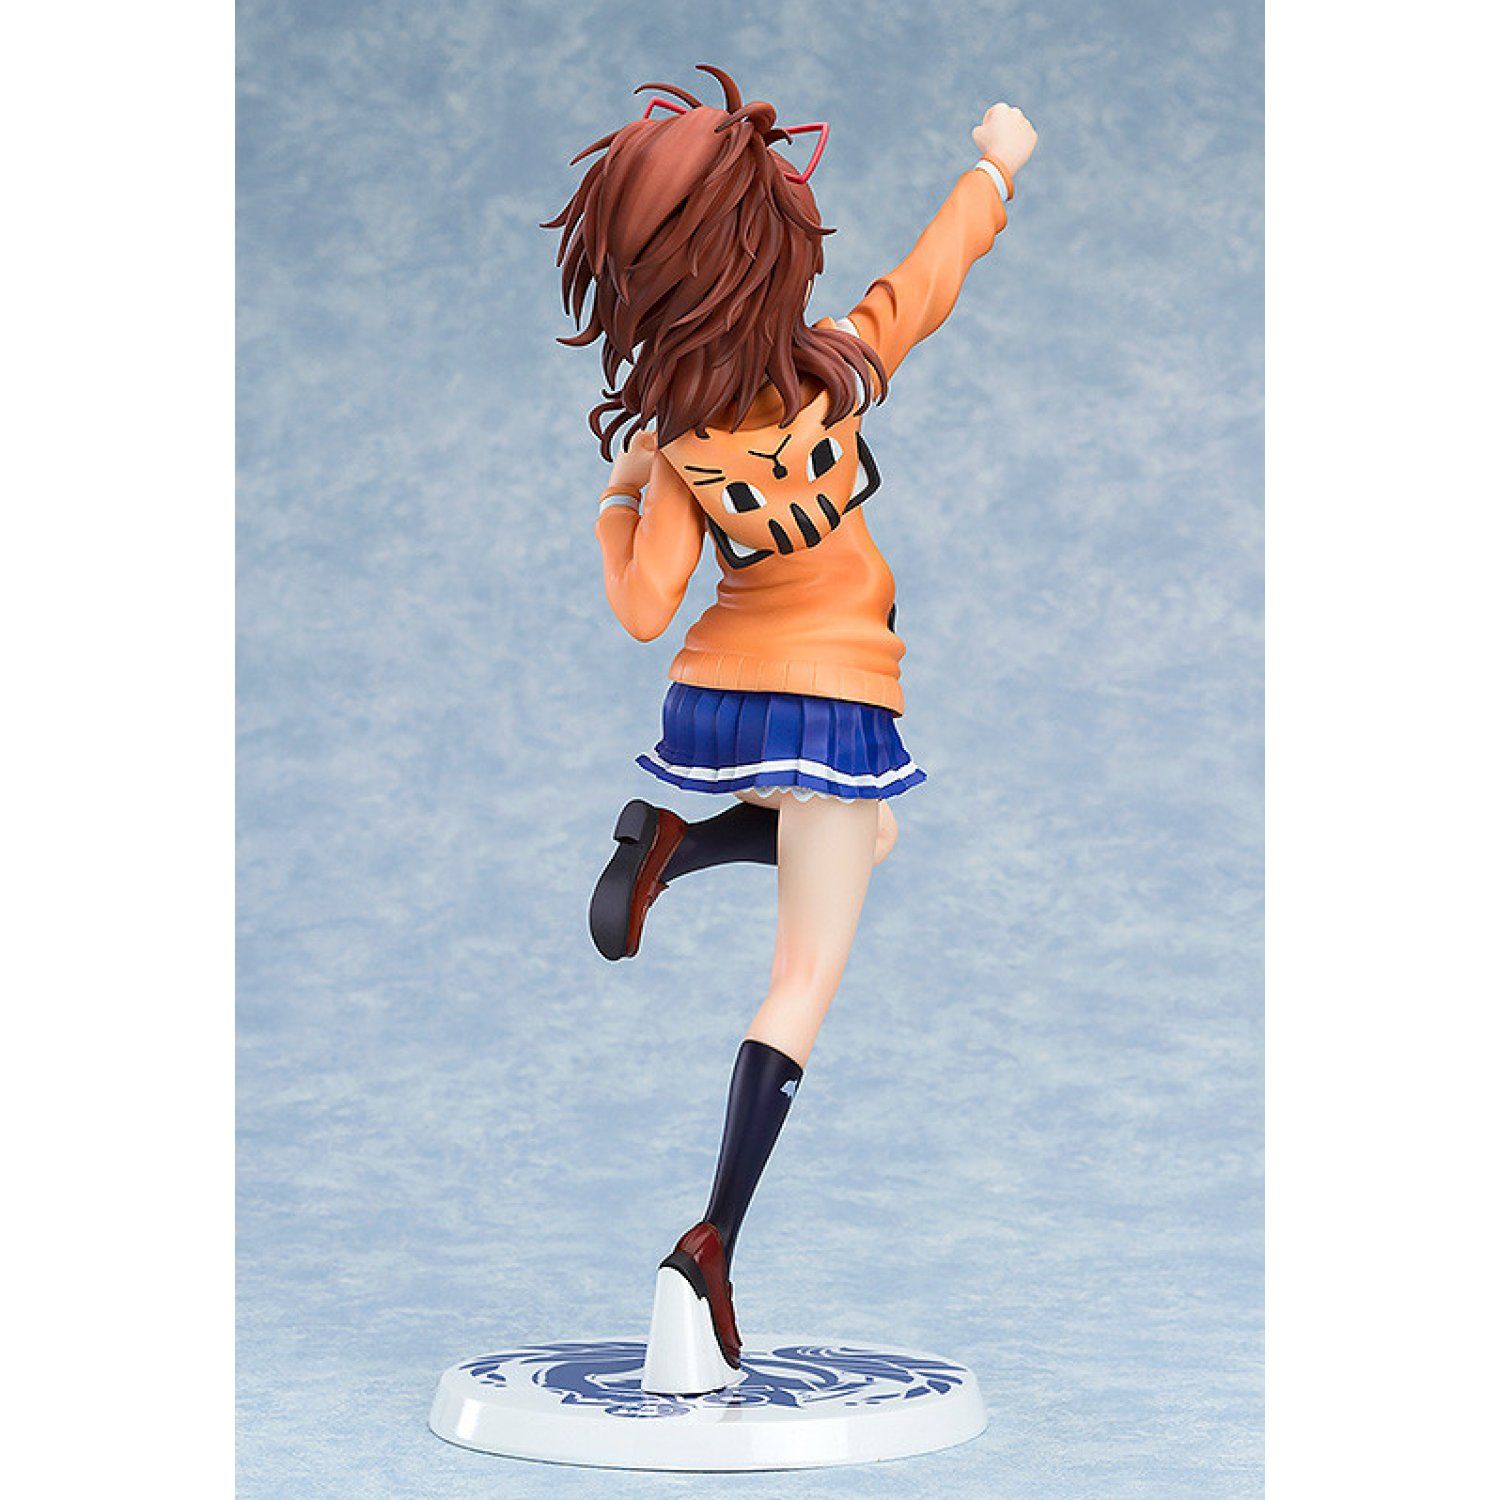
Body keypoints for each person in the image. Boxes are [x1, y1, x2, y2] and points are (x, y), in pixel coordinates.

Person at [545, 64, 1036, 1393]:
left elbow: (645, 607)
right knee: (804, 977)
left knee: (867, 840)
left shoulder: (681, 446)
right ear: (775, 249)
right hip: (837, 693)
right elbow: (932, 274)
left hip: (729, 690)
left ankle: (678, 846)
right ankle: (710, 1243)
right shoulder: (840, 367)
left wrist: (620, 496)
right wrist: (996, 165)